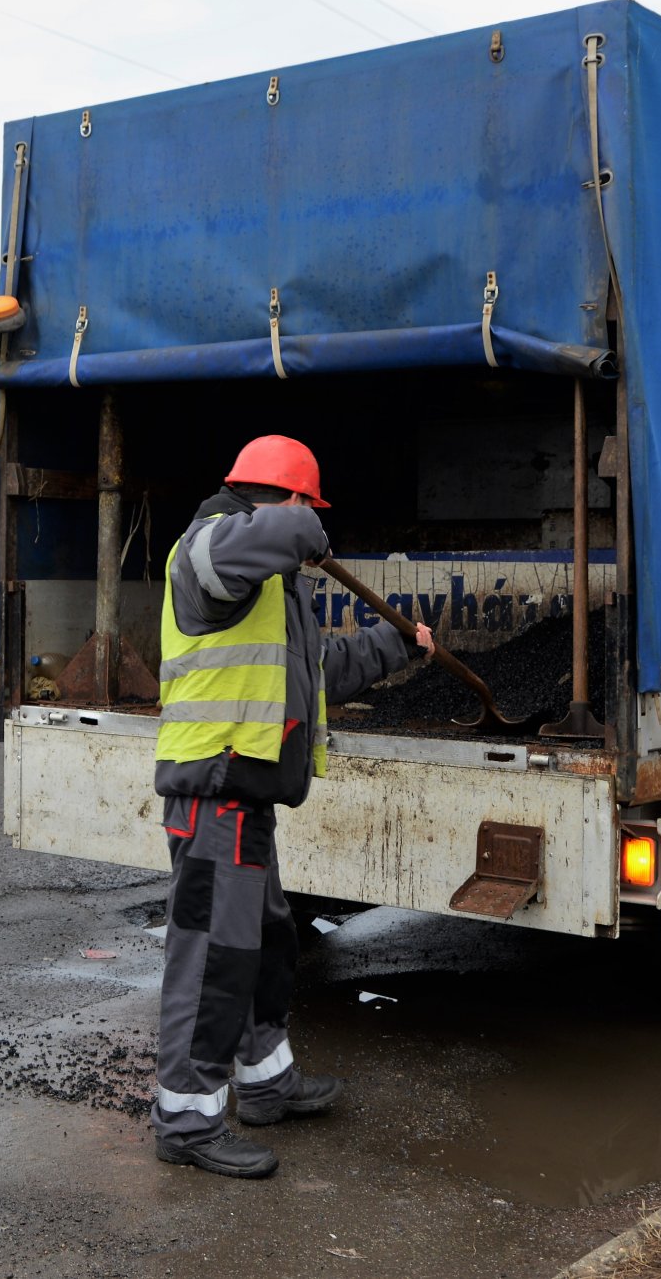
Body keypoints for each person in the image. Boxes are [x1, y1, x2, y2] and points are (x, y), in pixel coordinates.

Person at [151, 434, 434, 1178]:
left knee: (266, 947)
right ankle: (187, 1120)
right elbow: (281, 535)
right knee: (214, 957)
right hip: (215, 792)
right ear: (280, 498)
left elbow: (320, 672)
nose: (310, 522)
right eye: (306, 503)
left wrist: (400, 645)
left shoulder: (271, 588)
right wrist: (306, 525)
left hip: (250, 801)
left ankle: (267, 1080)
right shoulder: (208, 548)